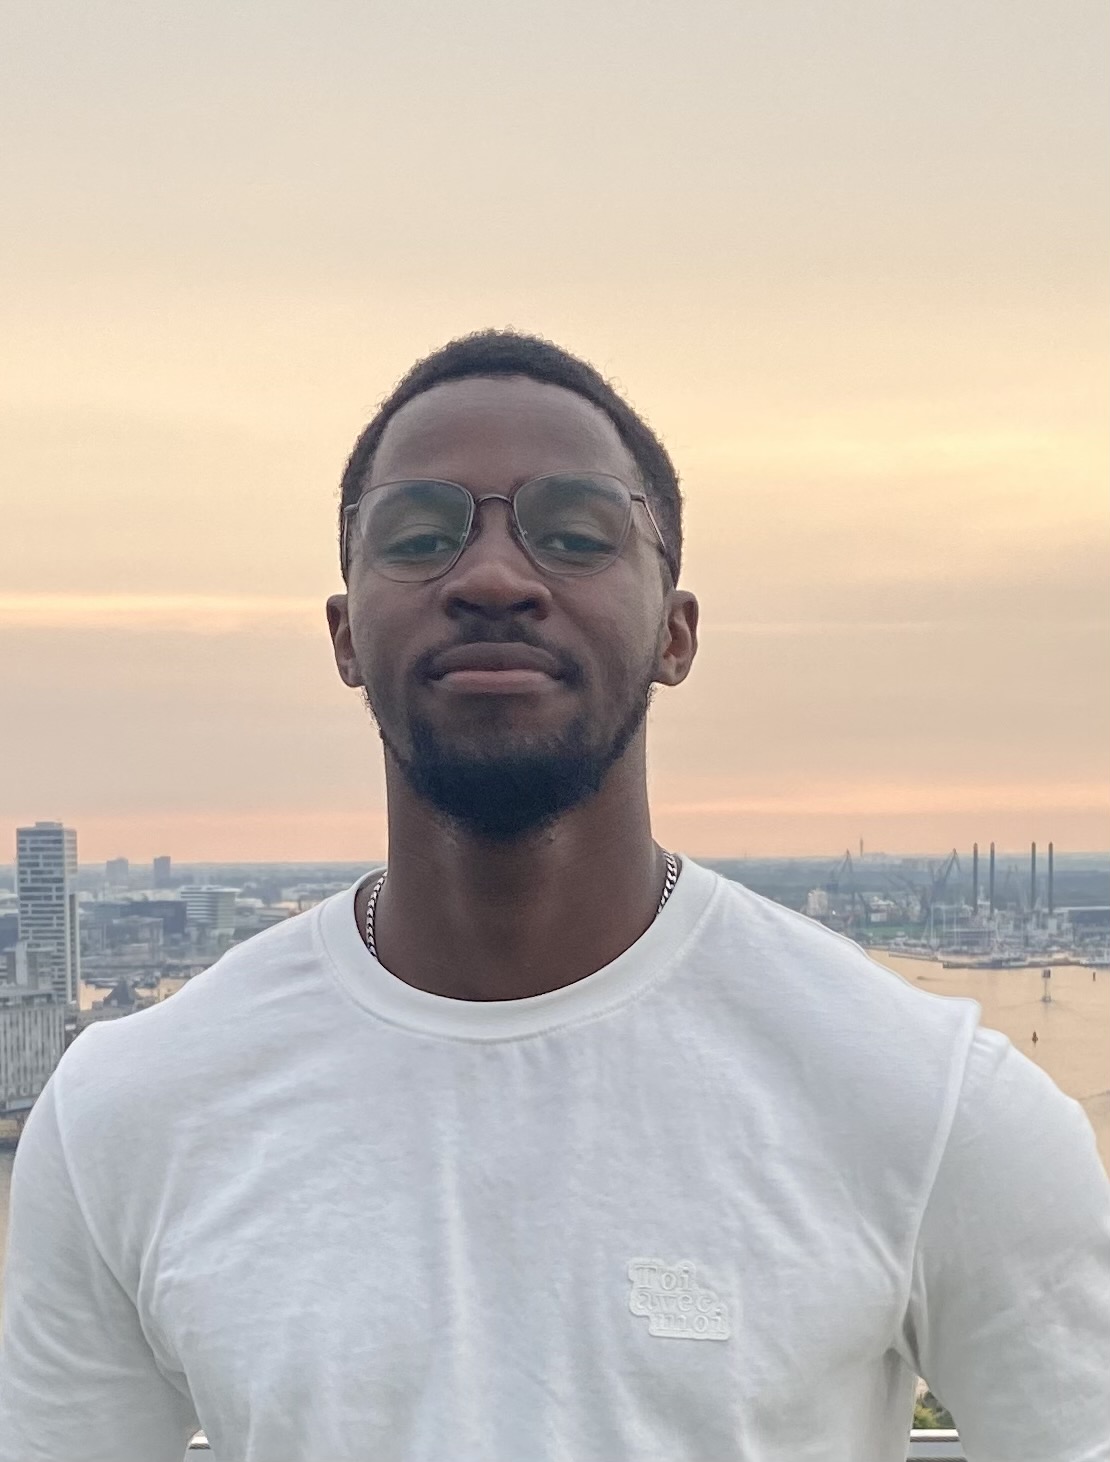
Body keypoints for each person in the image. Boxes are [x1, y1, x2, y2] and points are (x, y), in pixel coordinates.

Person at [1, 330, 1108, 1461]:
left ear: (676, 632)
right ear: (344, 634)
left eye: (575, 536)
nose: (490, 577)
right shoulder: (126, 1117)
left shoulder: (930, 1106)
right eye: (420, 537)